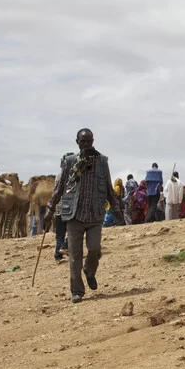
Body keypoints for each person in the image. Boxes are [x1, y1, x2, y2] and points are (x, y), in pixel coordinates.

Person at [45, 128, 125, 303]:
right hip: (74, 215)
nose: (86, 144)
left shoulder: (102, 161)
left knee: (95, 249)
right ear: (77, 143)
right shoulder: (70, 162)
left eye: (89, 141)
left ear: (93, 141)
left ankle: (89, 271)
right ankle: (77, 291)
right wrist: (50, 209)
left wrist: (118, 211)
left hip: (95, 214)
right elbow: (59, 189)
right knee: (74, 255)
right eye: (83, 142)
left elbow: (110, 189)